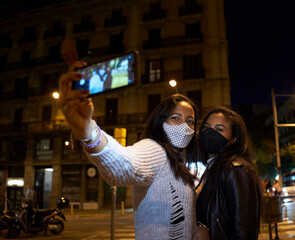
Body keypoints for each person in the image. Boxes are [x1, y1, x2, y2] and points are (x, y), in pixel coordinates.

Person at [58, 61, 199, 239]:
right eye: (176, 118)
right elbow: (122, 164)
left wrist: (198, 228)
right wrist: (86, 128)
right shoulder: (156, 150)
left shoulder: (179, 161)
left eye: (190, 121)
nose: (184, 126)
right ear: (160, 122)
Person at [193, 107, 261, 240]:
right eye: (206, 127)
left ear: (233, 139)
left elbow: (243, 231)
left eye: (219, 129)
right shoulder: (215, 168)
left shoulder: (235, 170)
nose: (210, 132)